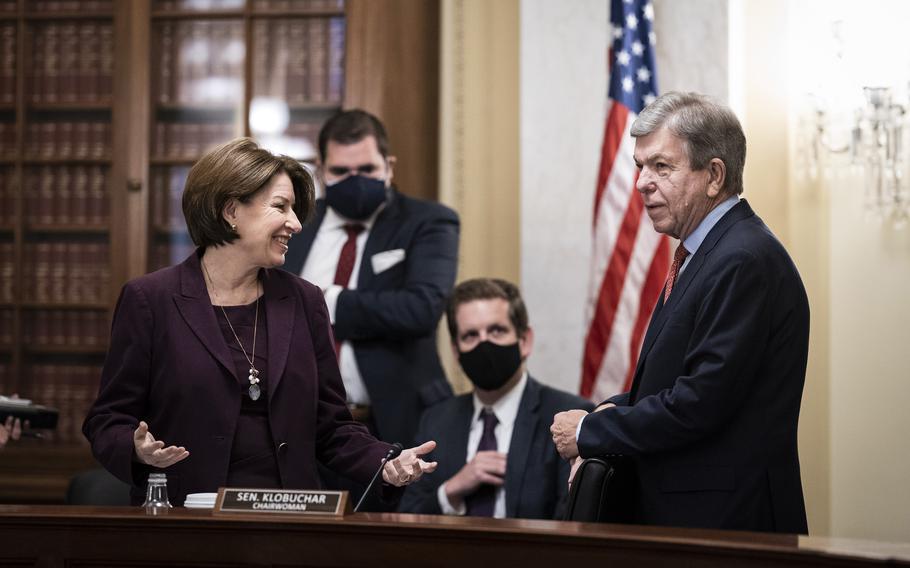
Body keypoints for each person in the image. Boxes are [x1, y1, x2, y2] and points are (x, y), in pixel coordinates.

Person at [83, 138, 436, 506]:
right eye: (281, 207)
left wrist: (385, 461)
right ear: (231, 211)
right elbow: (108, 419)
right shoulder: (150, 300)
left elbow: (331, 427)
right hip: (187, 519)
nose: (296, 224)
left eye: (296, 210)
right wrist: (137, 449)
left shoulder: (305, 301)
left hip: (288, 520)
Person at [551, 92, 810, 534]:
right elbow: (668, 386)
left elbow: (699, 404)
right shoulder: (706, 253)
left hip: (727, 529)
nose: (641, 184)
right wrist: (602, 415)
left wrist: (590, 434)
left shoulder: (742, 258)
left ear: (713, 175)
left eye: (661, 167)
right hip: (691, 522)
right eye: (640, 167)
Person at [282, 109, 459, 448]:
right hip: (300, 426)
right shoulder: (294, 227)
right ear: (320, 171)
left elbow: (420, 309)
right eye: (340, 171)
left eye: (366, 169)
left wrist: (323, 300)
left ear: (389, 167)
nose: (355, 180)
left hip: (397, 424)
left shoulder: (428, 222)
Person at [399, 278, 593, 519]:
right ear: (456, 351)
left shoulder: (569, 417)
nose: (484, 344)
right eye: (471, 335)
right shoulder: (436, 421)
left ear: (524, 341)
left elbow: (574, 518)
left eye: (496, 331)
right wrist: (450, 492)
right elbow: (407, 517)